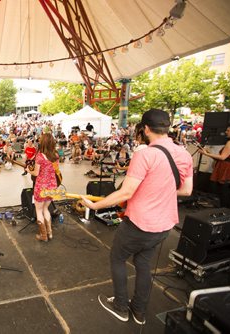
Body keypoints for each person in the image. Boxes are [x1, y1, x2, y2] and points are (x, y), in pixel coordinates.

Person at [81, 109, 193, 325]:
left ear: (146, 129)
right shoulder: (184, 154)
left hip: (140, 223)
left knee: (118, 258)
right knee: (143, 263)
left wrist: (95, 205)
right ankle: (139, 312)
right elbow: (186, 190)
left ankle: (121, 307)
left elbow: (125, 192)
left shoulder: (145, 154)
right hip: (164, 225)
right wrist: (159, 189)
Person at [199, 125, 230, 207]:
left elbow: (223, 157)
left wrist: (206, 154)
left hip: (227, 168)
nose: (226, 132)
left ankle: (224, 207)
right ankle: (226, 208)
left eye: (228, 130)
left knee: (224, 190)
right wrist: (209, 153)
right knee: (229, 189)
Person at [26, 133, 58, 242]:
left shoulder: (40, 156)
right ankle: (50, 233)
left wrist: (28, 170)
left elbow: (35, 173)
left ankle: (43, 236)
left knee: (39, 211)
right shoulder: (56, 155)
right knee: (46, 209)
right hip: (52, 187)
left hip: (41, 187)